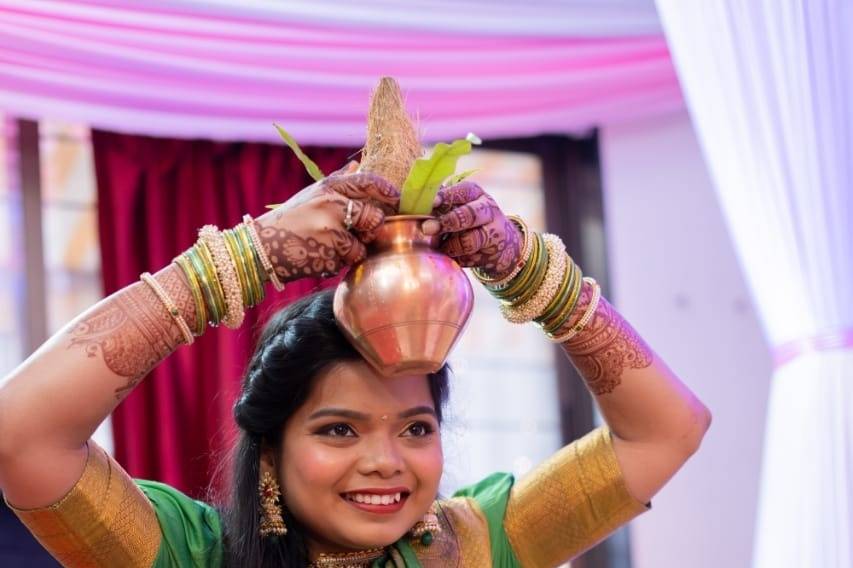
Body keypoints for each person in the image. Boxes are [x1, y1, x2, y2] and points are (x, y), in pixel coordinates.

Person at [0, 163, 711, 567]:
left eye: (415, 428)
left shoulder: (473, 545)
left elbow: (666, 432)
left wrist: (525, 271)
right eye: (339, 430)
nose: (386, 462)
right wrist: (246, 258)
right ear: (272, 449)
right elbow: (20, 436)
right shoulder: (187, 555)